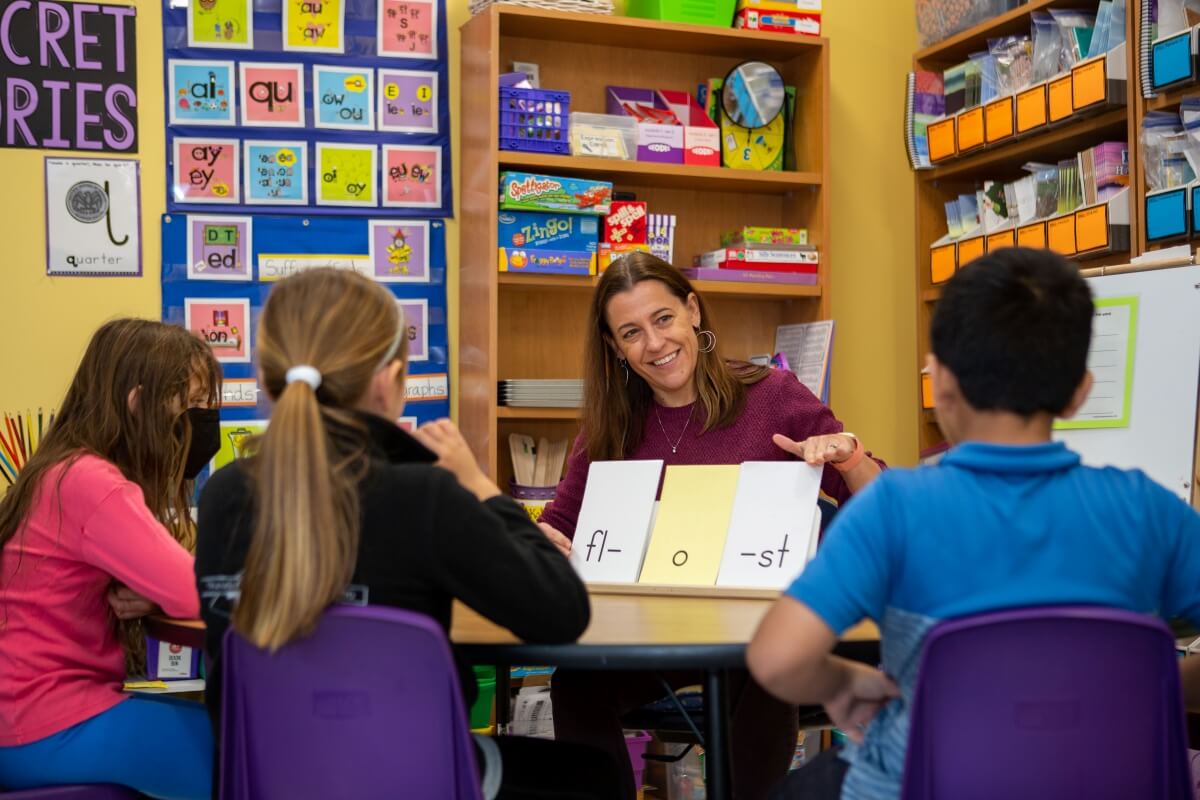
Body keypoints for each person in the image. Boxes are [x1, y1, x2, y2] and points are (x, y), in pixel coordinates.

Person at [748, 247, 1200, 800]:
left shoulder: (893, 508)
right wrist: (1152, 690)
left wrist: (846, 683)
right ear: (1081, 391)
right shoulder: (1149, 510)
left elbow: (776, 658)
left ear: (938, 382)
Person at [194, 268, 619, 799]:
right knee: (593, 775)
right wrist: (483, 489)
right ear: (387, 379)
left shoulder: (222, 497)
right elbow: (562, 610)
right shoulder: (423, 496)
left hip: (264, 778)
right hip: (415, 779)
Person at [538, 252, 886, 800]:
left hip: (759, 635)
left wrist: (847, 456)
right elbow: (559, 526)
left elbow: (882, 505)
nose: (654, 344)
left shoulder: (771, 396)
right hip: (651, 637)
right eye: (631, 332)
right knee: (576, 684)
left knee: (763, 660)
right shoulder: (608, 429)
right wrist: (538, 538)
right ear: (614, 347)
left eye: (663, 319)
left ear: (693, 311)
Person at [0, 319, 222, 800]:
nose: (201, 421)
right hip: (46, 719)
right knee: (236, 751)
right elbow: (192, 588)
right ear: (139, 403)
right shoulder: (93, 483)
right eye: (191, 405)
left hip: (23, 714)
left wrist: (152, 594)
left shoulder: (58, 469)